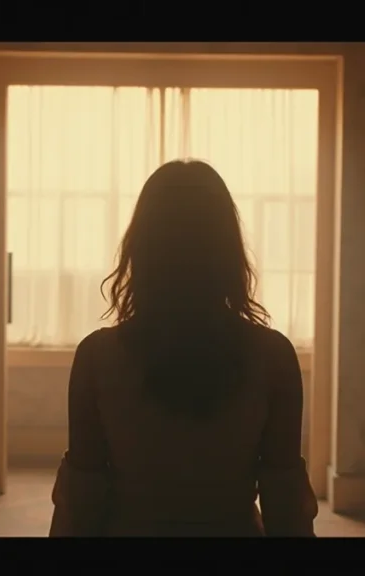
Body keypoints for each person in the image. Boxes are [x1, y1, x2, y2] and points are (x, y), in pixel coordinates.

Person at [49, 160, 318, 537]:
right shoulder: (274, 358)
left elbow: (79, 506)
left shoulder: (96, 357)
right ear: (228, 251)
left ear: (140, 250)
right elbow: (286, 508)